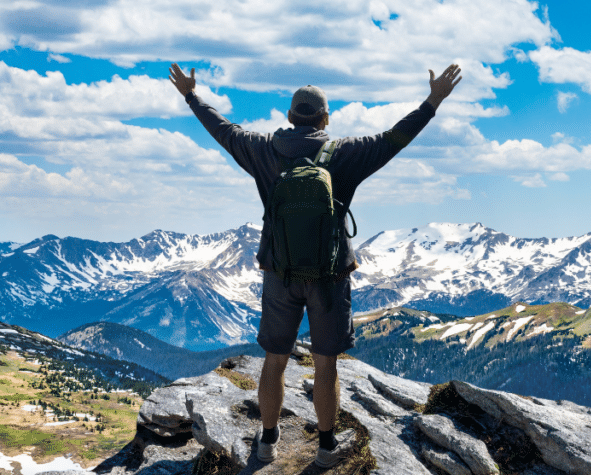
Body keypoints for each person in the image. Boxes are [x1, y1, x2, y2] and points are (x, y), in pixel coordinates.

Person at [168, 62, 461, 468]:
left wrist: (190, 95)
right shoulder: (346, 154)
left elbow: (223, 130)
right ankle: (325, 449)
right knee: (326, 365)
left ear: (290, 116)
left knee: (275, 360)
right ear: (325, 118)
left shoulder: (264, 149)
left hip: (279, 273)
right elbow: (395, 138)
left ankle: (267, 443)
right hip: (330, 275)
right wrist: (432, 101)